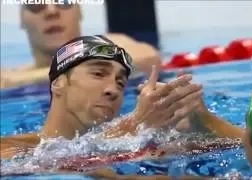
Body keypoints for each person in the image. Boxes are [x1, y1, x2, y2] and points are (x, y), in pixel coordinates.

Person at [0, 35, 203, 159]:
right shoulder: (10, 148)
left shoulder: (138, 140)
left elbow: (232, 148)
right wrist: (136, 123)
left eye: (120, 82)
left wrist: (202, 119)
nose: (113, 90)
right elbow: (57, 162)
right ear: (58, 83)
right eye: (98, 74)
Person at [0, 2, 161, 88]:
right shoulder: (9, 76)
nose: (51, 11)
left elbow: (148, 58)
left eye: (64, 2)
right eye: (36, 4)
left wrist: (29, 79)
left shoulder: (111, 42)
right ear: (21, 20)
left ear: (80, 12)